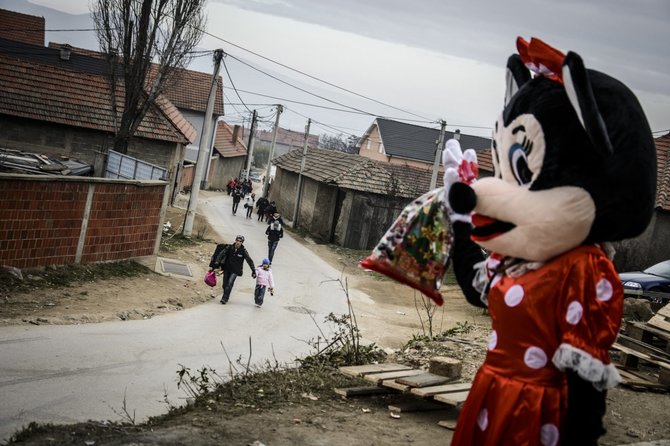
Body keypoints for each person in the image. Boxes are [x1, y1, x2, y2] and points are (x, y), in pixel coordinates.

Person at [209, 235, 256, 304]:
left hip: (235, 271)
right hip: (227, 269)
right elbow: (221, 254)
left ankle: (224, 298)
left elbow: (249, 260)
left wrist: (253, 270)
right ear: (235, 240)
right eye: (237, 241)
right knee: (225, 285)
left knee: (230, 283)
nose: (238, 242)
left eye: (240, 241)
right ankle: (226, 294)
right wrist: (216, 262)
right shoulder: (229, 248)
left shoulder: (243, 251)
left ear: (242, 242)